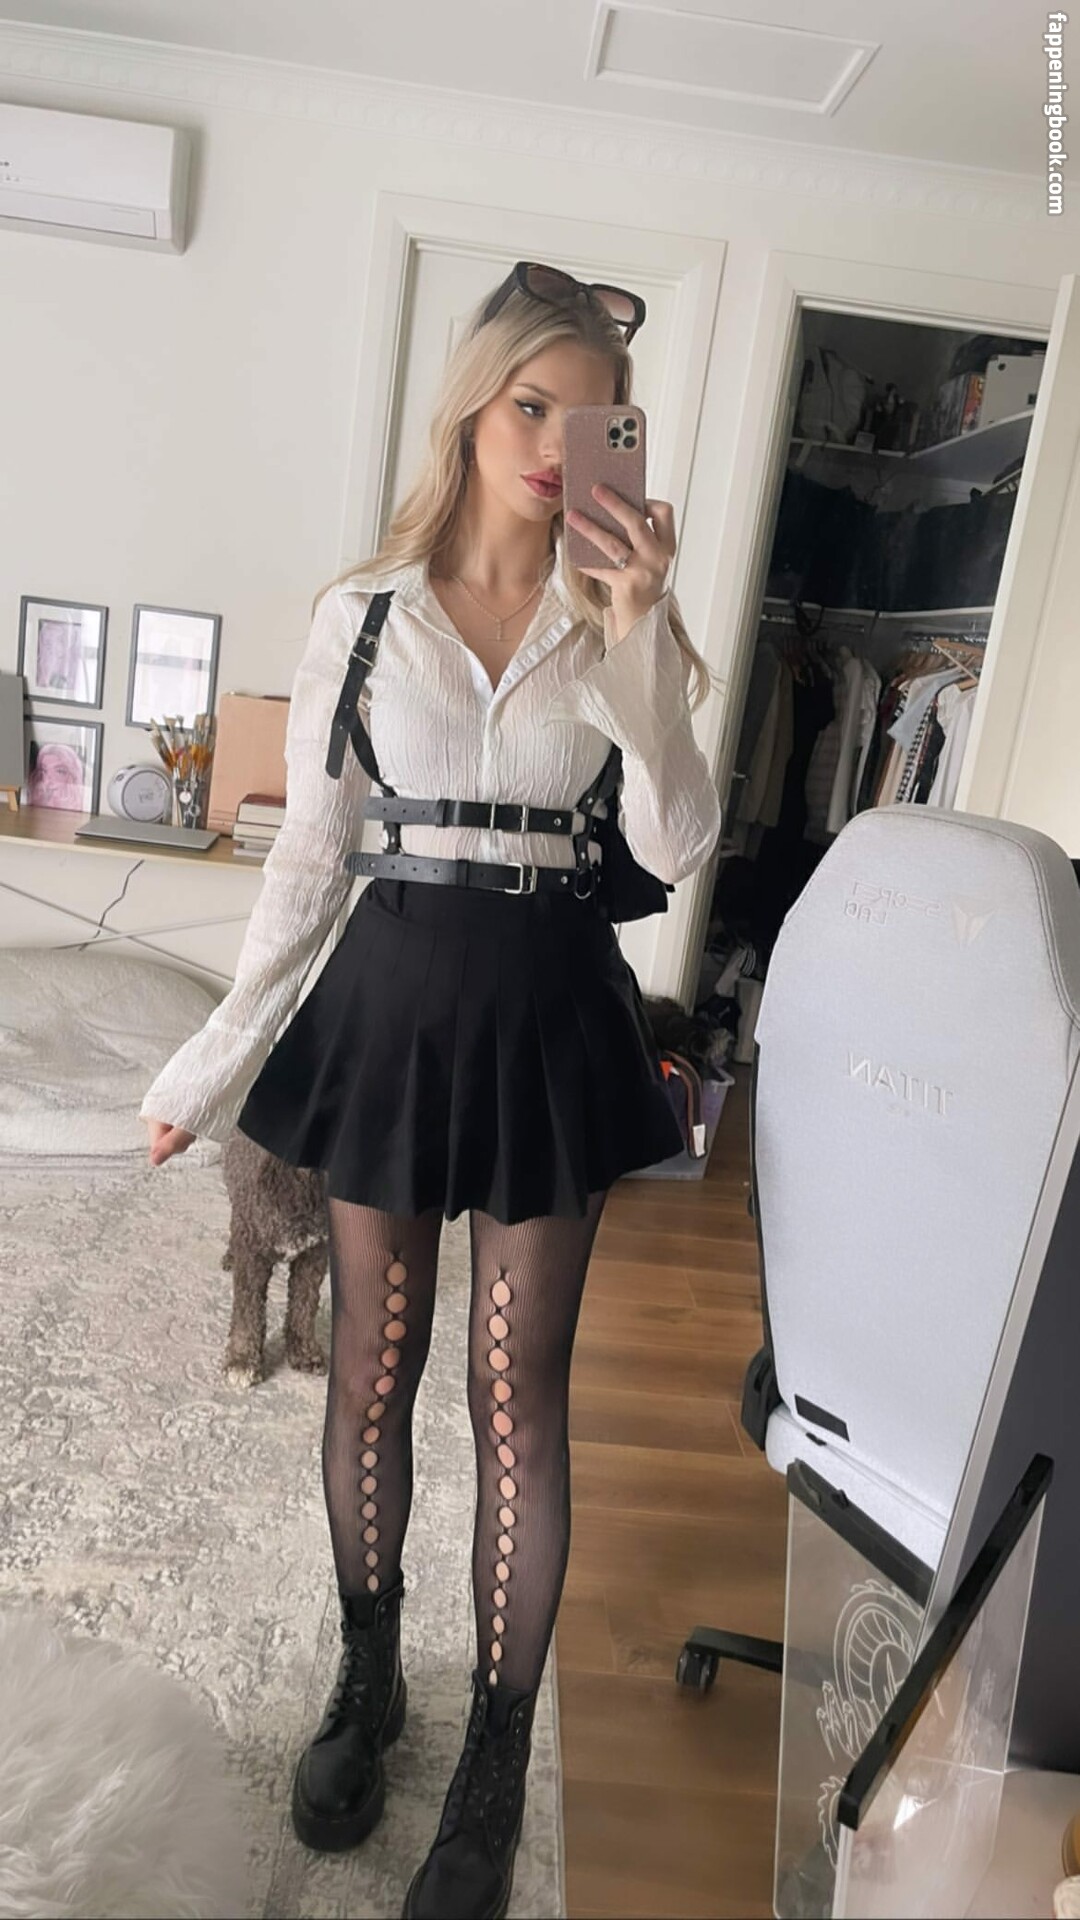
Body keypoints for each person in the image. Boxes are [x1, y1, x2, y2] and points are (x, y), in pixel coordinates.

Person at [141, 259, 722, 1920]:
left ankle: (494, 1761)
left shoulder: (619, 621)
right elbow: (308, 866)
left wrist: (635, 637)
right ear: (473, 409)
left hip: (552, 1021)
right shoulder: (367, 617)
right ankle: (369, 1676)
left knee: (515, 1398)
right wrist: (208, 1062)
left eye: (587, 418)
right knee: (370, 1374)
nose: (551, 445)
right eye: (529, 406)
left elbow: (679, 842)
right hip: (387, 1014)